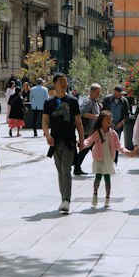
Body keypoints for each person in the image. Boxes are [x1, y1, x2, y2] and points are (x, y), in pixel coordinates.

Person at [42, 74, 85, 213]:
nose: (64, 84)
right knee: (60, 172)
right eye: (61, 82)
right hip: (55, 142)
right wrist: (47, 135)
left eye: (65, 82)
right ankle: (63, 199)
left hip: (69, 141)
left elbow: (78, 122)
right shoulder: (49, 102)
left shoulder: (72, 101)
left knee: (66, 170)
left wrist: (82, 139)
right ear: (54, 84)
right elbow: (45, 121)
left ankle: (66, 200)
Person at [83, 109, 122, 206]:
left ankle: (107, 198)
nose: (109, 120)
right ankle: (95, 195)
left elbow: (119, 146)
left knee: (107, 177)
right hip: (99, 158)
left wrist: (128, 152)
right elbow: (89, 140)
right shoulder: (97, 132)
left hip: (108, 158)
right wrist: (82, 144)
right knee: (98, 176)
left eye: (110, 119)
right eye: (107, 119)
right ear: (101, 120)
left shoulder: (112, 133)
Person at [74, 84, 103, 174]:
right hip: (88, 131)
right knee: (94, 150)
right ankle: (101, 168)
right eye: (96, 92)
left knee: (87, 150)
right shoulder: (88, 101)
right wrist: (94, 117)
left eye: (99, 93)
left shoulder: (94, 102)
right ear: (91, 92)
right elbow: (82, 112)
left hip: (92, 131)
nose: (98, 94)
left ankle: (77, 168)